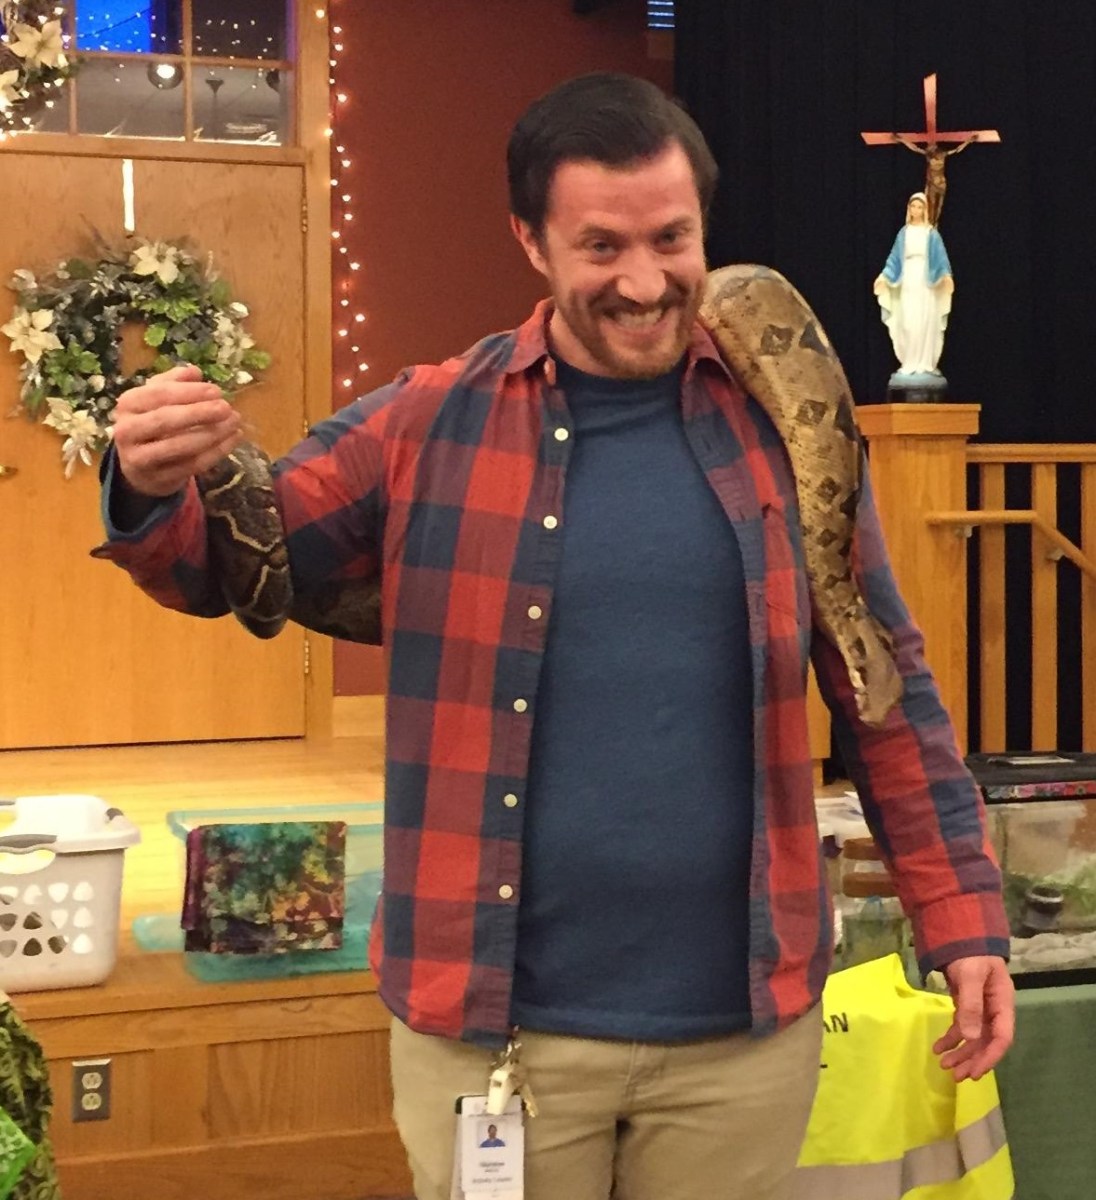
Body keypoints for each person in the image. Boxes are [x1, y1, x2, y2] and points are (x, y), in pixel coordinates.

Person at [98, 73, 1013, 1200]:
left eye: (671, 239)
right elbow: (233, 563)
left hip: (740, 1038)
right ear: (531, 242)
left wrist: (960, 914)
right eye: (601, 247)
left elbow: (888, 689)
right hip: (494, 1036)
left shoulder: (787, 436)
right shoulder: (426, 421)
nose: (645, 282)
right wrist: (153, 487)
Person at [873, 191, 954, 378]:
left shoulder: (931, 234)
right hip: (909, 279)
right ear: (909, 209)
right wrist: (884, 277)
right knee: (908, 320)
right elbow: (894, 259)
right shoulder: (904, 233)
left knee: (925, 320)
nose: (916, 210)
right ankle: (909, 360)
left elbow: (941, 260)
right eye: (913, 206)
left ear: (924, 210)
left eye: (920, 207)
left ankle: (925, 362)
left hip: (926, 282)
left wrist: (946, 276)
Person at [893, 134, 977, 226]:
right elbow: (915, 148)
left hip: (941, 183)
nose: (931, 146)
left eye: (933, 145)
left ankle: (935, 223)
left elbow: (957, 150)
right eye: (930, 146)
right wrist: (903, 140)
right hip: (932, 184)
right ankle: (930, 223)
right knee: (931, 204)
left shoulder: (943, 154)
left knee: (939, 205)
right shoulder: (928, 156)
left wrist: (968, 141)